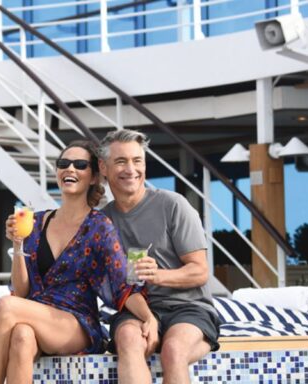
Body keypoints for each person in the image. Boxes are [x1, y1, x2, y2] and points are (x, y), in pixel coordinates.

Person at [0, 140, 152, 384]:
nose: (70, 169)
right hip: (36, 315)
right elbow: (21, 292)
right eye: (64, 164)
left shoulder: (99, 226)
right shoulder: (36, 222)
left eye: (80, 165)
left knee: (5, 306)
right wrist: (18, 243)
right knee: (21, 336)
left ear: (94, 176)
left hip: (76, 322)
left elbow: (121, 283)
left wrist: (149, 317)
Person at [99, 129, 221, 384]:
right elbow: (116, 288)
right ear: (104, 167)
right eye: (121, 161)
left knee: (173, 350)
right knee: (130, 342)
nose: (130, 169)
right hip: (136, 309)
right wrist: (148, 317)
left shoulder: (173, 205)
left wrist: (158, 275)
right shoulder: (102, 222)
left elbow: (200, 272)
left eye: (137, 161)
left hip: (187, 308)